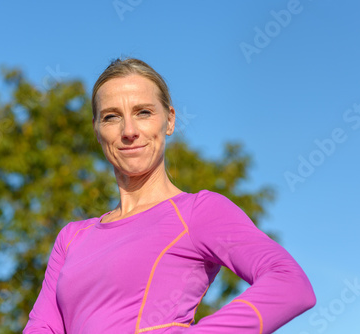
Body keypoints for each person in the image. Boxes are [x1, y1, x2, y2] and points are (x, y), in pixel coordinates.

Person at [23, 58, 316, 334]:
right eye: (112, 117)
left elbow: (290, 285)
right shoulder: (72, 238)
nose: (129, 131)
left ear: (170, 120)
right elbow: (41, 328)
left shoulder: (198, 211)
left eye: (144, 112)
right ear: (97, 130)